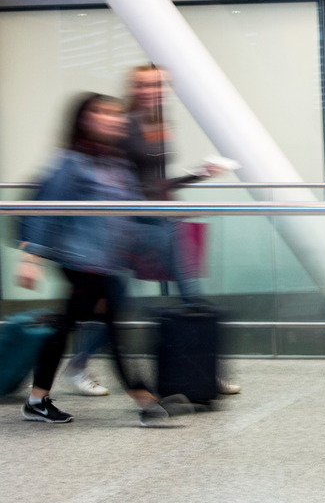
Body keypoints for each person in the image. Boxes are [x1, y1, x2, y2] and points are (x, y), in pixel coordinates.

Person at [14, 94, 191, 426]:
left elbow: (132, 208)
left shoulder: (117, 163)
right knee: (112, 325)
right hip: (79, 259)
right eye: (104, 113)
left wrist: (148, 237)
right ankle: (147, 403)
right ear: (84, 119)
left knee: (66, 324)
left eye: (117, 114)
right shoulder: (71, 161)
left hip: (106, 261)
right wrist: (31, 257)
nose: (115, 119)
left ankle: (37, 400)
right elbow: (45, 207)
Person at [62, 65, 238, 397]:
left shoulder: (161, 127)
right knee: (119, 300)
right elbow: (120, 180)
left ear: (166, 88)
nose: (151, 91)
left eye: (157, 85)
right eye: (143, 85)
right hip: (131, 225)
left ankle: (205, 370)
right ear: (133, 88)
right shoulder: (123, 125)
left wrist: (198, 174)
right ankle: (78, 364)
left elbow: (157, 183)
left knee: (192, 295)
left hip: (165, 220)